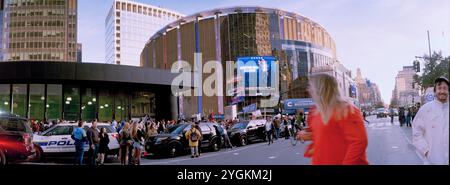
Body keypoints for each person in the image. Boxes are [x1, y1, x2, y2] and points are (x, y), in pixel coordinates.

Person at [297, 73, 369, 165]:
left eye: (311, 86)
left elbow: (359, 142)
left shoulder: (346, 110)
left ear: (320, 89)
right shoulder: (316, 111)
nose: (308, 90)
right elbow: (328, 133)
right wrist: (310, 135)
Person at [412, 77, 449, 165]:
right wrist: (426, 151)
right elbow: (416, 133)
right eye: (439, 88)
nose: (442, 91)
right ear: (435, 91)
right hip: (432, 160)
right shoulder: (425, 109)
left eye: (445, 88)